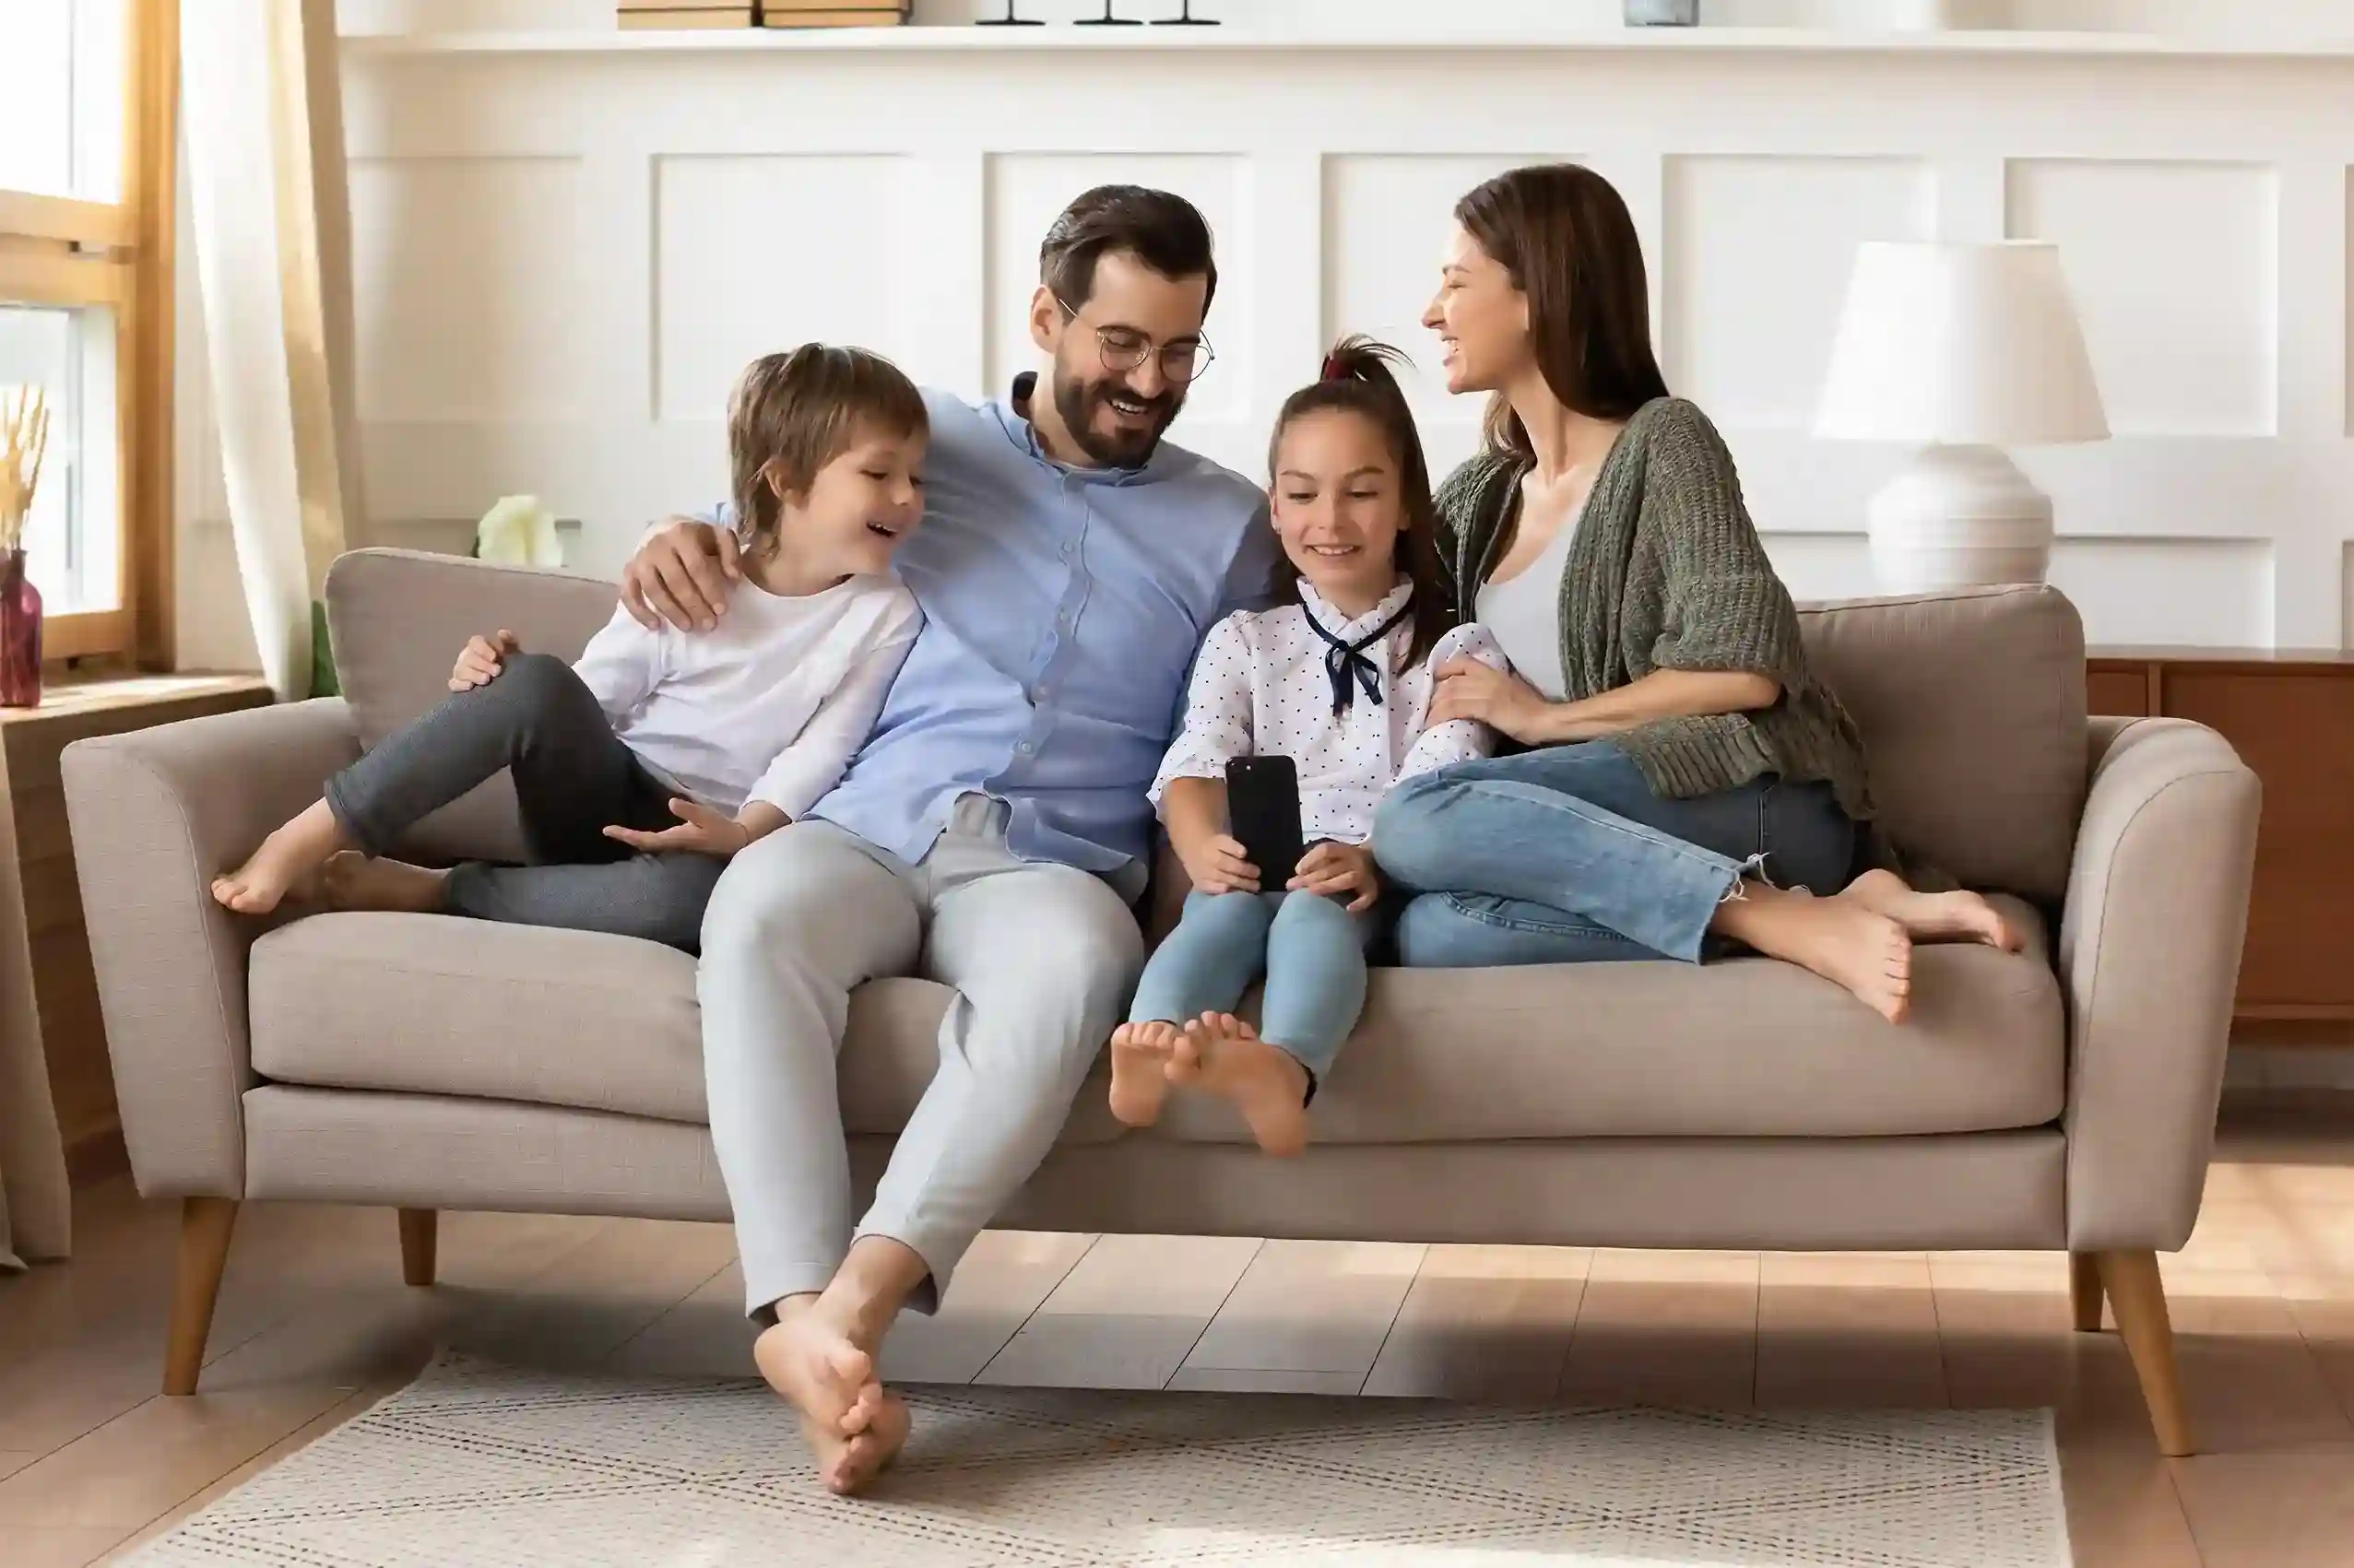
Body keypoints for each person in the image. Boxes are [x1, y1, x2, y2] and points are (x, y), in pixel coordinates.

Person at [615, 186, 1279, 1495]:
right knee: (756, 913)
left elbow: (1280, 688)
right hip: (865, 822)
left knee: (1074, 971)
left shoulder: (1229, 523)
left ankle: (841, 1321)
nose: (1150, 381)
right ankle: (793, 1305)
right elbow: (756, 528)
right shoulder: (918, 444)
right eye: (1121, 343)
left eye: (1180, 351)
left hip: (1052, 864)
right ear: (1045, 318)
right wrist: (673, 533)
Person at [1370, 163, 2018, 1021]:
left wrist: (1545, 720)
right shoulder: (1476, 498)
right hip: (1624, 831)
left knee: (1413, 820)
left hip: (1748, 796)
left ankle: (1774, 910)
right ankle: (1798, 915)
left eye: (1455, 283)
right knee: (1436, 933)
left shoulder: (1666, 443)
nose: (1430, 313)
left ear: (1534, 295)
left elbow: (1744, 673)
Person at [208, 344, 927, 954]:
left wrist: (741, 834)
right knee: (537, 682)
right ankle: (305, 836)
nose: (908, 497)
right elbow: (590, 695)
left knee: (701, 907)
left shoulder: (885, 613)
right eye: (879, 473)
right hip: (602, 792)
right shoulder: (695, 575)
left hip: (701, 836)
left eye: (916, 477)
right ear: (785, 481)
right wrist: (504, 689)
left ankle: (442, 889)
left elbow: (823, 749)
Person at [1109, 336, 1506, 1158]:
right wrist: (1200, 845)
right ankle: (1150, 1041)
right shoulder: (1246, 640)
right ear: (1275, 508)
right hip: (1257, 858)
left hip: (1366, 874)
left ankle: (1286, 1070)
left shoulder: (1456, 649)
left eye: (1361, 492)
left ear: (1406, 504)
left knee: (1309, 914)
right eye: (1302, 494)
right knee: (1218, 912)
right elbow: (1197, 754)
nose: (1329, 520)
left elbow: (1443, 773)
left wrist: (1370, 857)